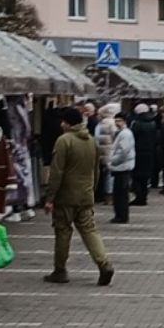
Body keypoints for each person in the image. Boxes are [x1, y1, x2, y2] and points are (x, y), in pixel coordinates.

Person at [43, 107, 114, 285]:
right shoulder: (91, 140)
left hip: (66, 196)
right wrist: (92, 191)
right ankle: (104, 263)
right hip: (85, 195)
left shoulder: (64, 141)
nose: (61, 124)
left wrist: (50, 198)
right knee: (89, 230)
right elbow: (96, 171)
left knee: (63, 232)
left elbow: (57, 172)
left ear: (68, 123)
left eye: (63, 121)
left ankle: (60, 270)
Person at [108, 110, 136, 223]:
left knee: (121, 194)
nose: (117, 123)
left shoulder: (125, 134)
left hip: (122, 166)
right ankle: (120, 215)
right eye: (116, 121)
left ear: (124, 121)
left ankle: (121, 216)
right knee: (119, 193)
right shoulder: (122, 133)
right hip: (121, 166)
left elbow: (123, 151)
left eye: (119, 121)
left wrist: (113, 161)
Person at [130, 103, 158, 206]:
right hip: (149, 152)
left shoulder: (136, 124)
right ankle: (144, 196)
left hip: (138, 152)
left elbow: (132, 137)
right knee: (145, 177)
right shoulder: (153, 123)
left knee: (136, 176)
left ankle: (139, 196)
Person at [94, 103, 119, 204]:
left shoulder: (100, 124)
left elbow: (96, 138)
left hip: (102, 152)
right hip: (111, 151)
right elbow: (116, 137)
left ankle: (103, 195)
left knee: (104, 174)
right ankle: (110, 195)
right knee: (110, 175)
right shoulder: (113, 123)